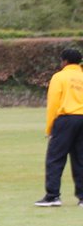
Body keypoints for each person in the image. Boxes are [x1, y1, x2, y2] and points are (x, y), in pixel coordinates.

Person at [34, 48, 83, 207]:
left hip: (66, 119)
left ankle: (53, 195)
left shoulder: (59, 77)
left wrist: (50, 128)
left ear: (64, 61)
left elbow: (53, 104)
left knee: (55, 158)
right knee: (81, 159)